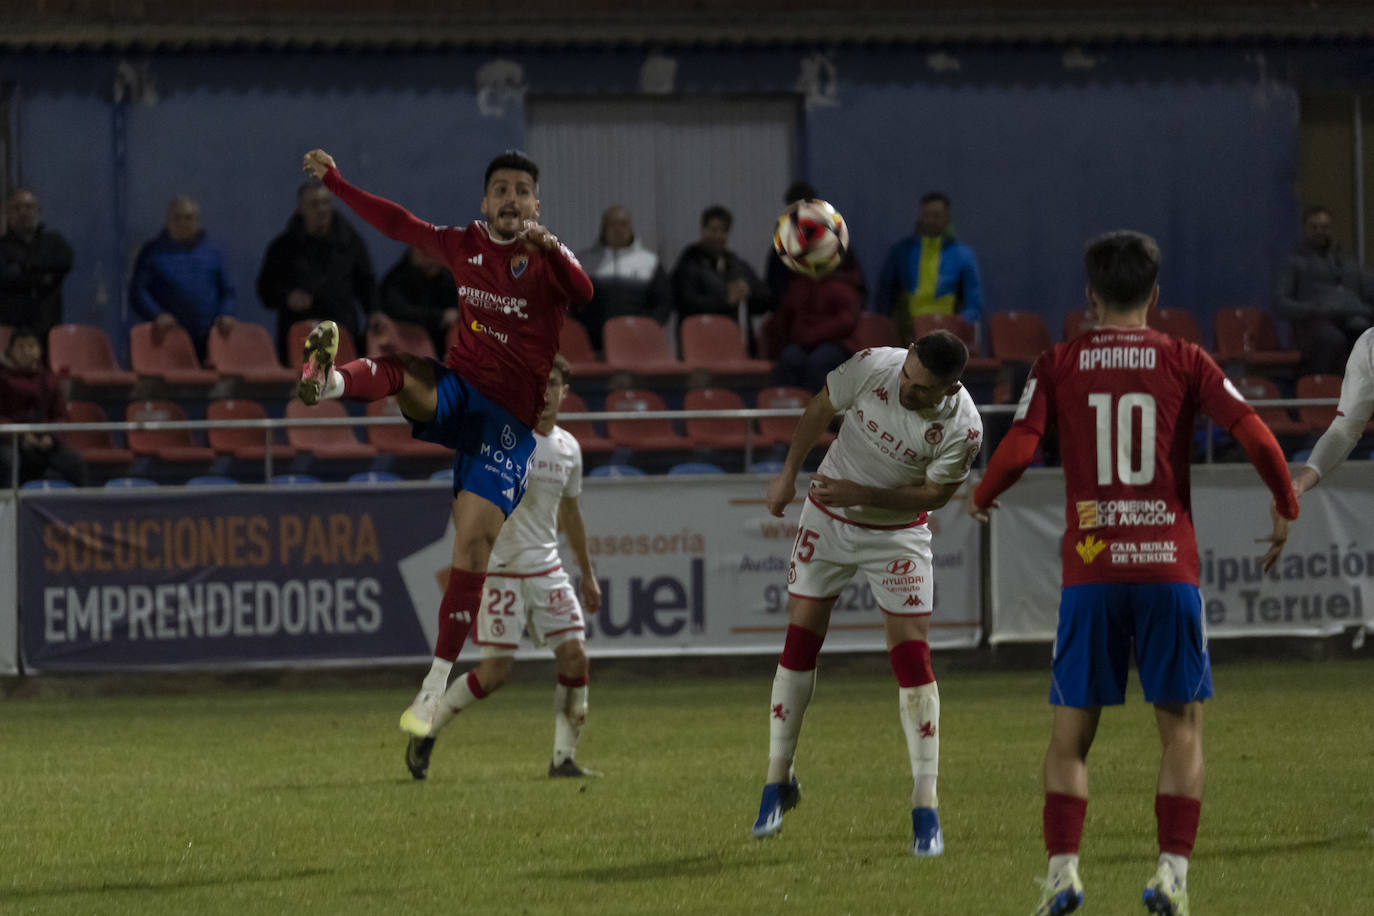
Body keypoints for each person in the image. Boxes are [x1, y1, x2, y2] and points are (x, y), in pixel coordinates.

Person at [966, 231, 1299, 916]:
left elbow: (1021, 447)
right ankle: (1171, 876)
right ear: (1155, 294)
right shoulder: (1186, 357)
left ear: (1089, 295)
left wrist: (981, 494)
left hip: (1091, 573)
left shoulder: (1058, 362)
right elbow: (1257, 433)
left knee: (1070, 734)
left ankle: (1063, 873)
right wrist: (1285, 500)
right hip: (1167, 570)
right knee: (1181, 727)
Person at [296, 148, 593, 764]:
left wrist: (550, 246)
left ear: (537, 205)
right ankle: (326, 384)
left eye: (522, 191)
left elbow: (585, 290)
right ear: (485, 203)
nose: (511, 199)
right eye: (501, 190)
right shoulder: (464, 245)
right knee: (404, 371)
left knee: (473, 543)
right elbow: (397, 224)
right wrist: (341, 184)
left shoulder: (545, 260)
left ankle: (433, 687)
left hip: (506, 427)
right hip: (462, 391)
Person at [751, 330, 984, 858]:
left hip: (897, 532)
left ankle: (925, 805)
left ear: (950, 387)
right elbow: (818, 408)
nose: (907, 390)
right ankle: (776, 782)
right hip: (828, 517)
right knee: (798, 644)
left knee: (911, 658)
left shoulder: (963, 428)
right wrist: (788, 475)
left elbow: (936, 494)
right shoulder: (877, 366)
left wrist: (863, 494)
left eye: (923, 389)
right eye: (908, 377)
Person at [406, 354, 602, 781]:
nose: (547, 393)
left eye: (554, 384)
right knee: (495, 674)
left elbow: (572, 515)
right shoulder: (507, 436)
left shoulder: (569, 448)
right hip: (501, 573)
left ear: (565, 392)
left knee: (575, 657)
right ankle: (428, 729)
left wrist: (587, 574)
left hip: (547, 570)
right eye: (541, 383)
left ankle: (563, 758)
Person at [256, 179, 376, 363]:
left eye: (325, 203)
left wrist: (375, 312)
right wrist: (288, 297)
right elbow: (265, 290)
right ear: (301, 209)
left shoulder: (349, 242)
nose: (321, 209)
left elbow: (366, 284)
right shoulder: (283, 248)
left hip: (343, 335)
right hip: (300, 339)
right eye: (314, 204)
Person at [128, 195, 237, 361]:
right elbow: (138, 290)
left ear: (198, 221)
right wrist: (156, 315)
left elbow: (227, 291)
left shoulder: (213, 252)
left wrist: (226, 313)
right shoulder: (152, 252)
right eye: (177, 218)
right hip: (167, 338)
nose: (183, 223)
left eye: (189, 218)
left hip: (207, 338)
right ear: (168, 221)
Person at [1272, 204, 1374, 376]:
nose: (1320, 231)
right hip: (1313, 325)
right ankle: (1321, 390)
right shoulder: (1293, 263)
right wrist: (1313, 309)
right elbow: (1280, 302)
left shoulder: (1347, 264)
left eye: (1325, 227)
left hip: (1352, 322)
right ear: (1304, 230)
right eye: (1314, 227)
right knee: (1332, 339)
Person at [875, 191, 984, 344]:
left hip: (947, 334)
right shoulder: (902, 251)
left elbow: (973, 301)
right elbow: (885, 294)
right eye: (927, 215)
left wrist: (962, 323)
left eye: (937, 215)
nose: (931, 220)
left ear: (947, 217)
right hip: (908, 332)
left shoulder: (963, 255)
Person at [760, 244, 864, 394]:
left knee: (820, 361)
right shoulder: (798, 285)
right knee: (790, 358)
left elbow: (847, 321)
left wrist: (813, 335)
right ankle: (786, 412)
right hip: (803, 344)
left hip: (837, 344)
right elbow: (785, 318)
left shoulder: (843, 284)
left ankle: (821, 413)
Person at [671, 204, 772, 351]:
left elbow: (765, 299)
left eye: (723, 231)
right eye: (713, 230)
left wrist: (749, 293)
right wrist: (725, 299)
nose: (718, 236)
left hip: (736, 344)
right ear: (703, 230)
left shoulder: (737, 265)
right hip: (701, 344)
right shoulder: (688, 263)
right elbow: (685, 302)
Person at [576, 205, 671, 351]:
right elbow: (573, 303)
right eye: (613, 224)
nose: (619, 229)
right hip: (596, 346)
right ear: (603, 228)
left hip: (639, 344)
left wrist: (647, 328)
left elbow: (663, 304)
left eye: (624, 224)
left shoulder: (649, 262)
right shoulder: (585, 262)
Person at [0, 327, 86, 487]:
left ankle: (80, 509)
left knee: (75, 463)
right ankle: (8, 510)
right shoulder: (2, 379)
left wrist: (50, 436)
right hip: (9, 440)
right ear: (10, 351)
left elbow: (61, 416)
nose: (26, 351)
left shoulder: (49, 380)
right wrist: (20, 436)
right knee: (7, 462)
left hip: (44, 440)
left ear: (39, 350)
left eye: (31, 346)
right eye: (20, 347)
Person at [0, 189, 74, 344]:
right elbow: (6, 278)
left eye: (29, 207)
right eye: (17, 208)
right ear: (8, 214)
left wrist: (25, 268)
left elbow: (64, 263)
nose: (23, 212)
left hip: (49, 329)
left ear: (38, 211)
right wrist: (43, 276)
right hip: (13, 332)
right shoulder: (2, 246)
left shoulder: (54, 242)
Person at [378, 244, 460, 356]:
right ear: (414, 253)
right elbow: (401, 312)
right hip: (408, 346)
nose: (432, 258)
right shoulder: (397, 280)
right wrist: (440, 317)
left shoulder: (446, 277)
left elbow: (460, 307)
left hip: (442, 344)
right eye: (424, 252)